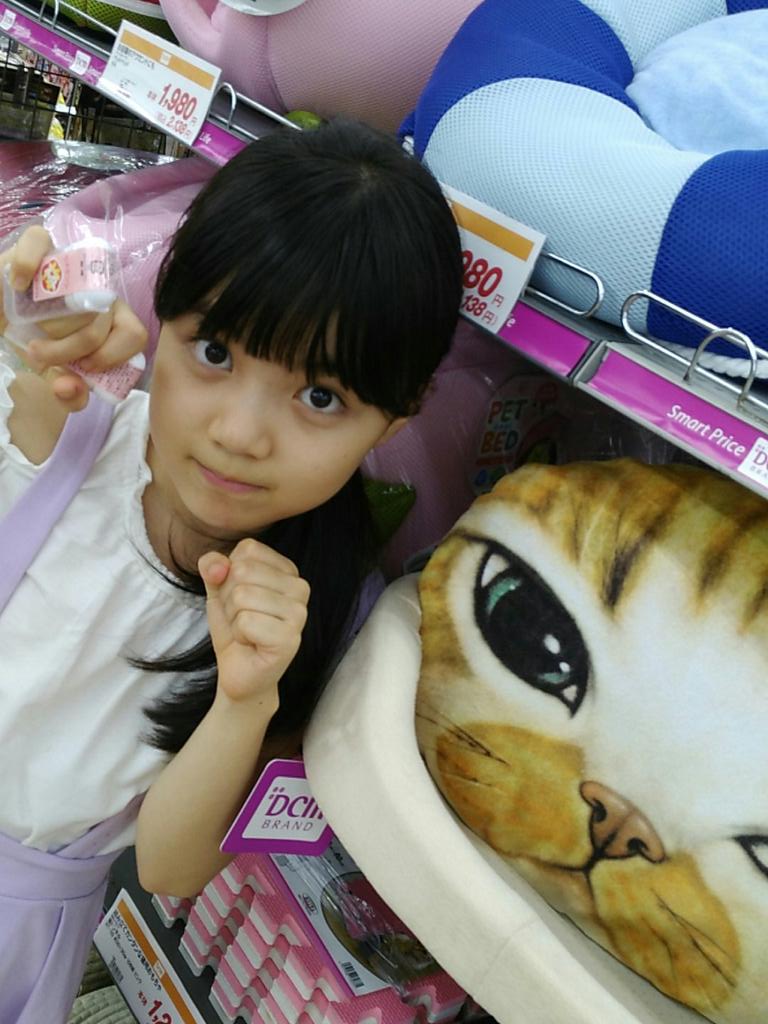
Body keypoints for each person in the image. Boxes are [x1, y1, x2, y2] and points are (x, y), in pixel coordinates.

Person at [0, 118, 463, 1023]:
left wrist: (246, 700)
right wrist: (26, 329)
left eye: (320, 396)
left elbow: (171, 868)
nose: (240, 433)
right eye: (213, 352)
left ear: (396, 419)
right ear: (161, 317)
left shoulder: (317, 622)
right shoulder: (69, 433)